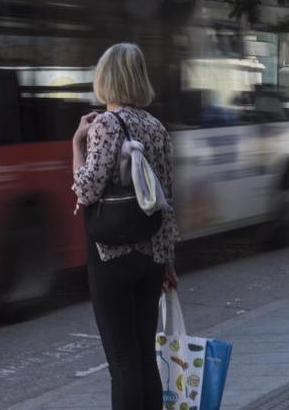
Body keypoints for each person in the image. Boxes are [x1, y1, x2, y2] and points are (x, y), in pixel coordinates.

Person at [71, 43, 180, 410]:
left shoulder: (104, 125)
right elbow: (165, 199)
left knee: (122, 362)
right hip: (149, 256)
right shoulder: (157, 127)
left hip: (110, 255)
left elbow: (86, 189)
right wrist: (166, 260)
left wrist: (77, 144)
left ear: (106, 79)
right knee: (145, 356)